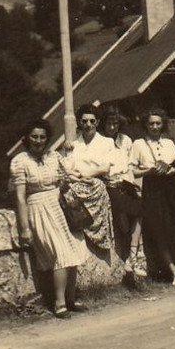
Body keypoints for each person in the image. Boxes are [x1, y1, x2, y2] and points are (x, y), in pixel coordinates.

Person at [9, 119, 86, 319]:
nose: (38, 141)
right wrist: (24, 228)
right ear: (26, 138)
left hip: (57, 207)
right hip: (38, 209)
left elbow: (67, 176)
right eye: (34, 136)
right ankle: (58, 302)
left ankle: (70, 298)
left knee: (71, 252)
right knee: (60, 255)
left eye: (42, 137)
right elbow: (19, 197)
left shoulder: (53, 157)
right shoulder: (20, 161)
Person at [129, 108, 175, 288]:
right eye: (151, 123)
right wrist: (150, 170)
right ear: (146, 125)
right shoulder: (138, 144)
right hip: (151, 190)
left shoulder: (169, 143)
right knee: (159, 232)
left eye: (158, 123)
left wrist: (168, 168)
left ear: (163, 125)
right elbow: (132, 170)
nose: (154, 127)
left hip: (170, 190)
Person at [60, 103, 114, 255]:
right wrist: (69, 153)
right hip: (77, 184)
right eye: (84, 121)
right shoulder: (74, 144)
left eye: (91, 121)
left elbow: (105, 168)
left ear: (97, 122)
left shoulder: (106, 142)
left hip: (97, 184)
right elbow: (68, 169)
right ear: (79, 122)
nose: (88, 125)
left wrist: (83, 174)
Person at [99, 103, 145, 277]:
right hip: (109, 183)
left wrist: (134, 184)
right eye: (109, 124)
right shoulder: (100, 141)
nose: (112, 127)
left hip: (125, 181)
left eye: (115, 124)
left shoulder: (126, 141)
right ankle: (130, 255)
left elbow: (130, 166)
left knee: (140, 209)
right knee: (121, 216)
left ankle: (132, 255)